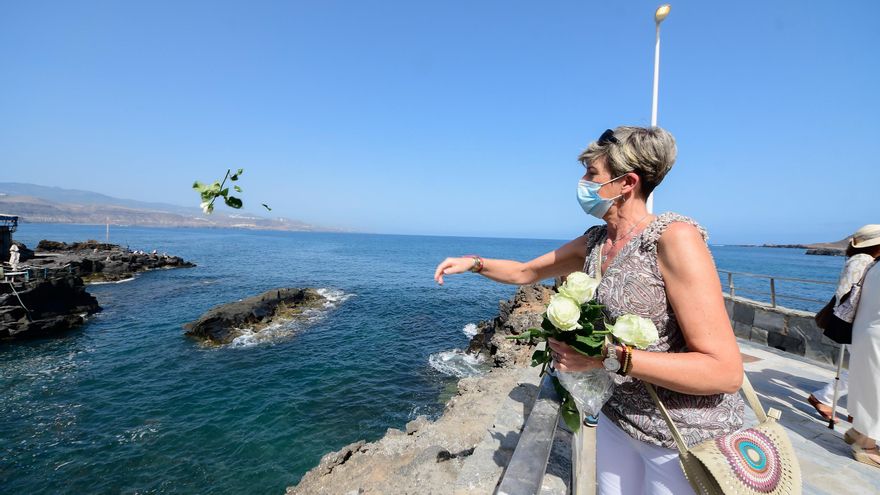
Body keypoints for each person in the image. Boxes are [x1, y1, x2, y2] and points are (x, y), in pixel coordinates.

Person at [433, 126, 745, 495]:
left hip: (682, 438)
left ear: (626, 182)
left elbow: (724, 371)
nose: (582, 182)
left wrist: (604, 357)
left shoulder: (672, 237)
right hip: (618, 420)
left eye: (591, 175)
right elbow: (526, 272)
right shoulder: (596, 241)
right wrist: (474, 262)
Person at [808, 225, 880, 423]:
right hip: (857, 321)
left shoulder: (864, 260)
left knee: (863, 366)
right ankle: (828, 399)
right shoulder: (863, 261)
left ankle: (839, 403)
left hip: (858, 320)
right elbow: (846, 292)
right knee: (863, 367)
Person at [844, 226, 880, 468]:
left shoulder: (873, 266)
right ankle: (867, 445)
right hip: (877, 333)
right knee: (876, 388)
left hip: (865, 329)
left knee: (865, 382)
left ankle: (858, 430)